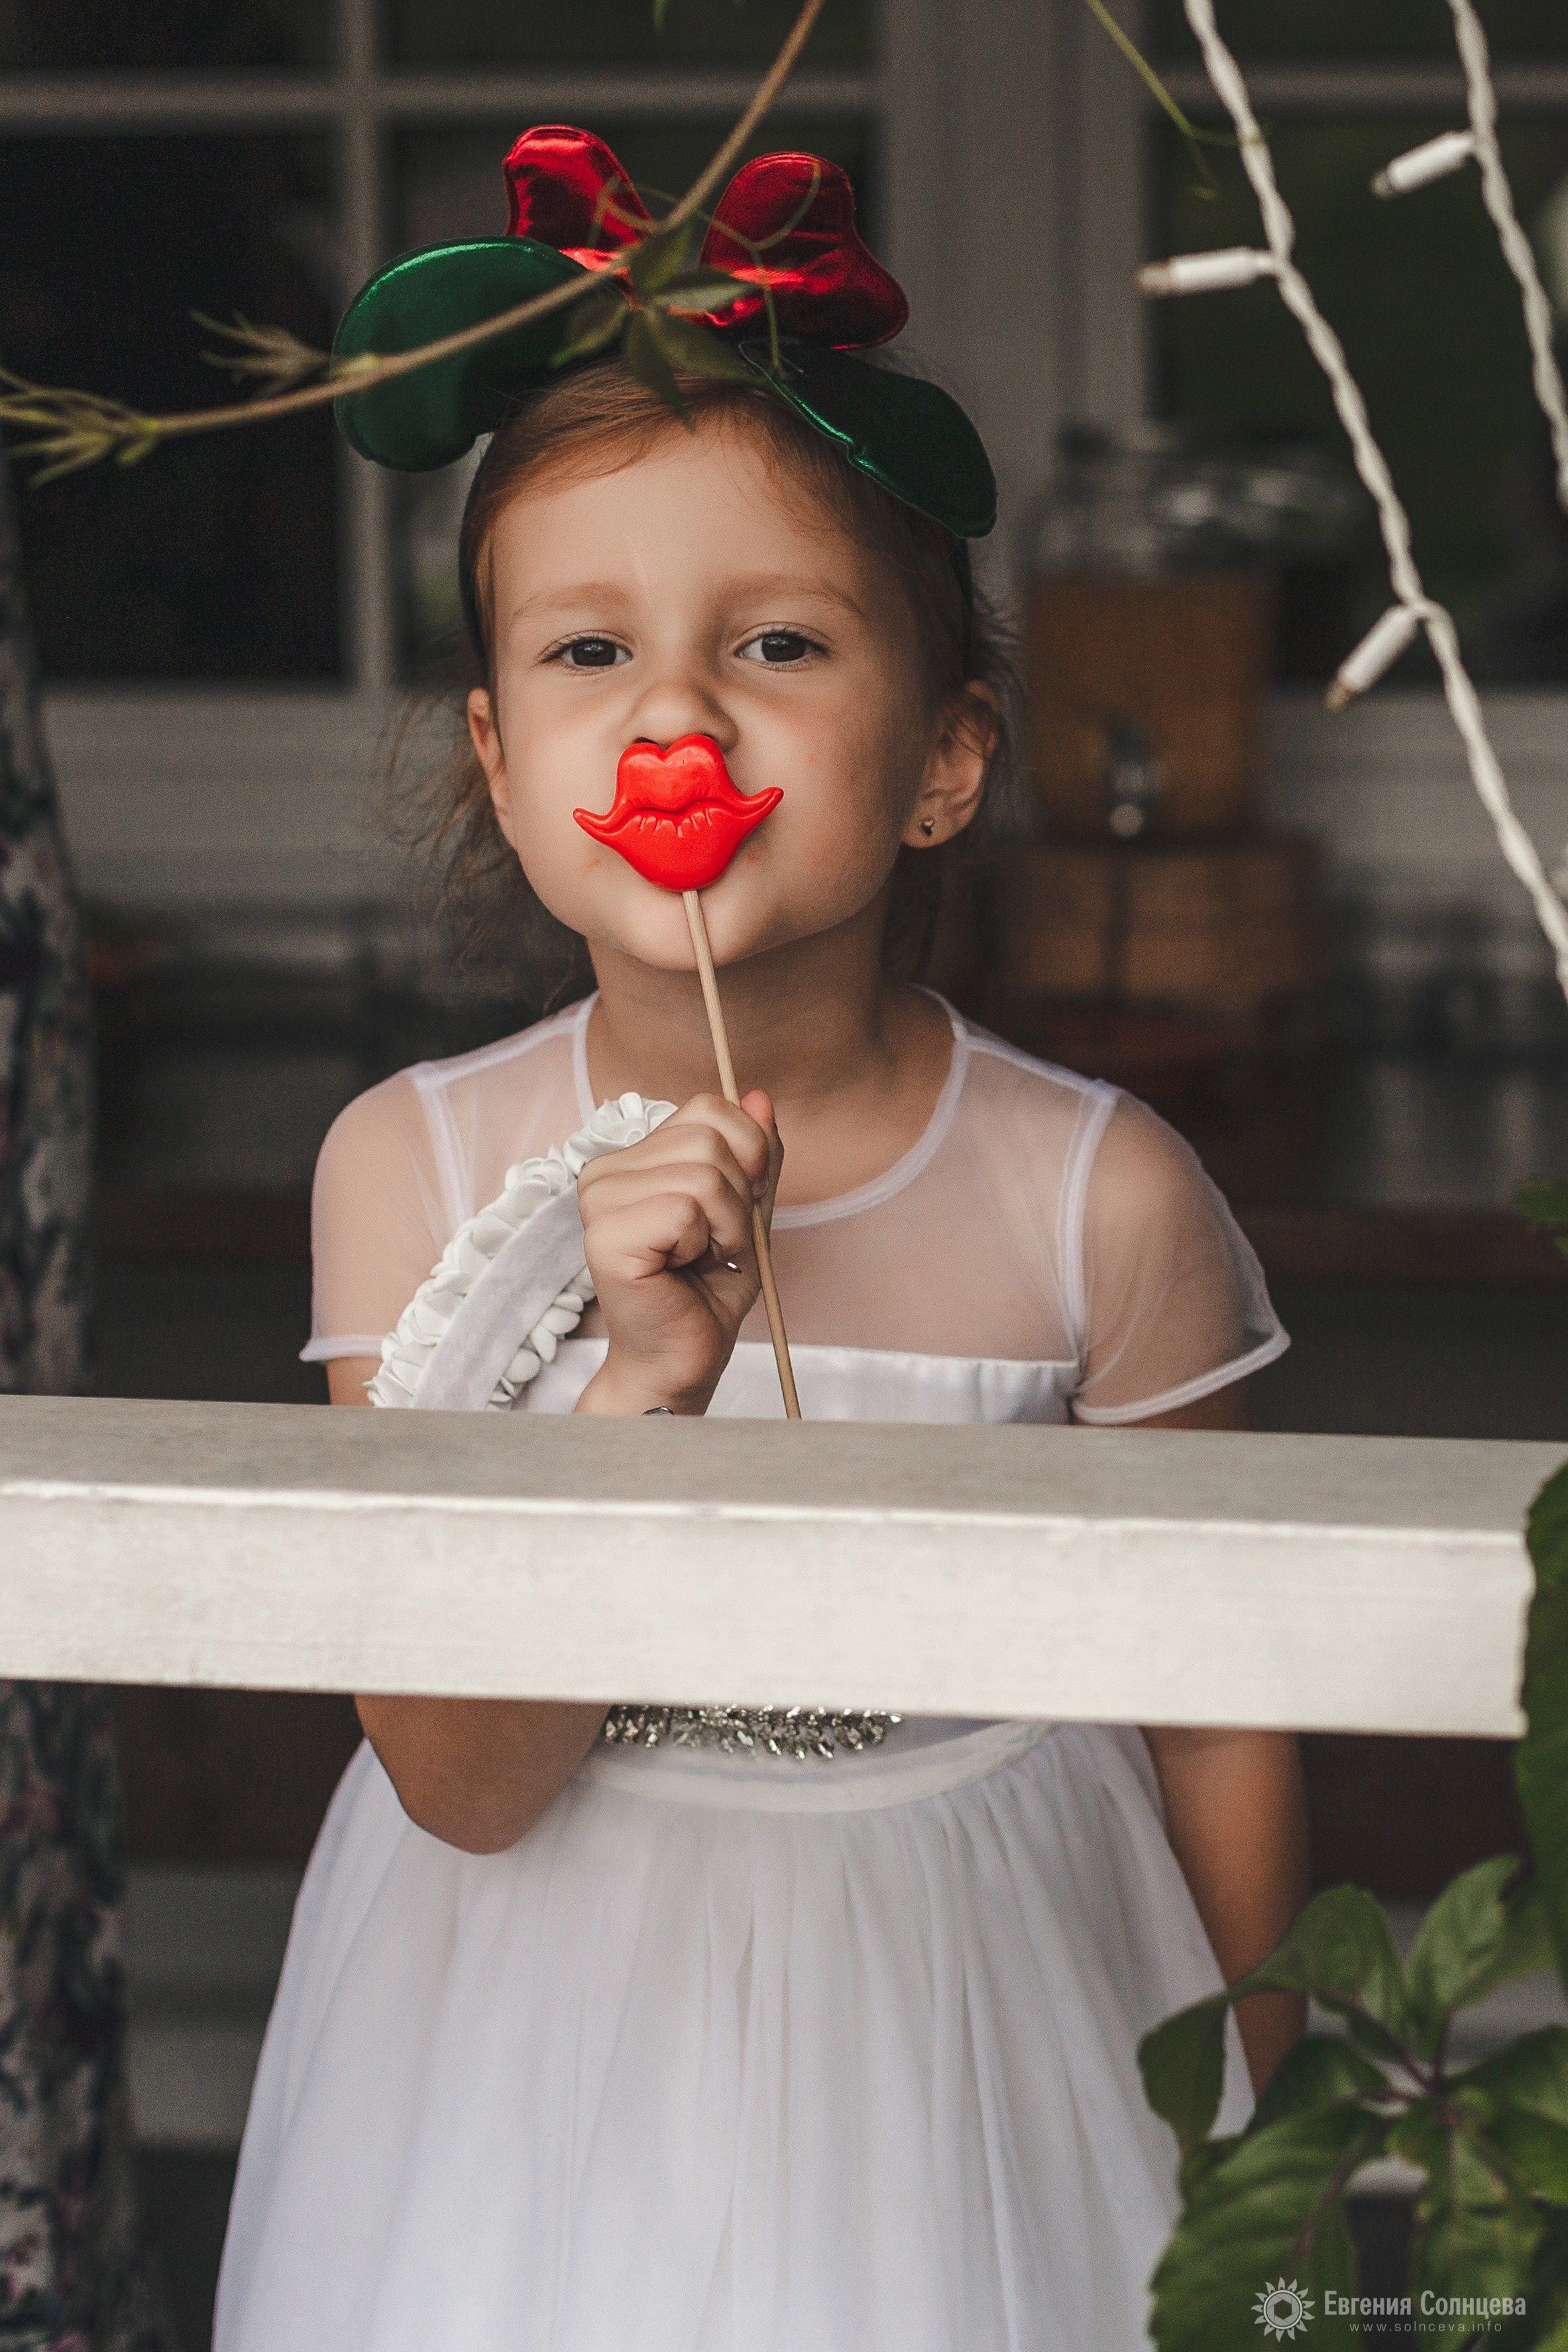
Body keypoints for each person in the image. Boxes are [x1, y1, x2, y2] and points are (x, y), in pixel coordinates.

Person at [215, 127, 1308, 2352]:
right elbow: (464, 1786)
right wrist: (634, 1390)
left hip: (988, 2018)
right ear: (501, 759)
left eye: (780, 641)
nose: (676, 719)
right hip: (525, 2053)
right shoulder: (410, 1170)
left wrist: (1242, 2140)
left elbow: (1221, 1723)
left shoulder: (1100, 1196)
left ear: (949, 757)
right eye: (590, 648)